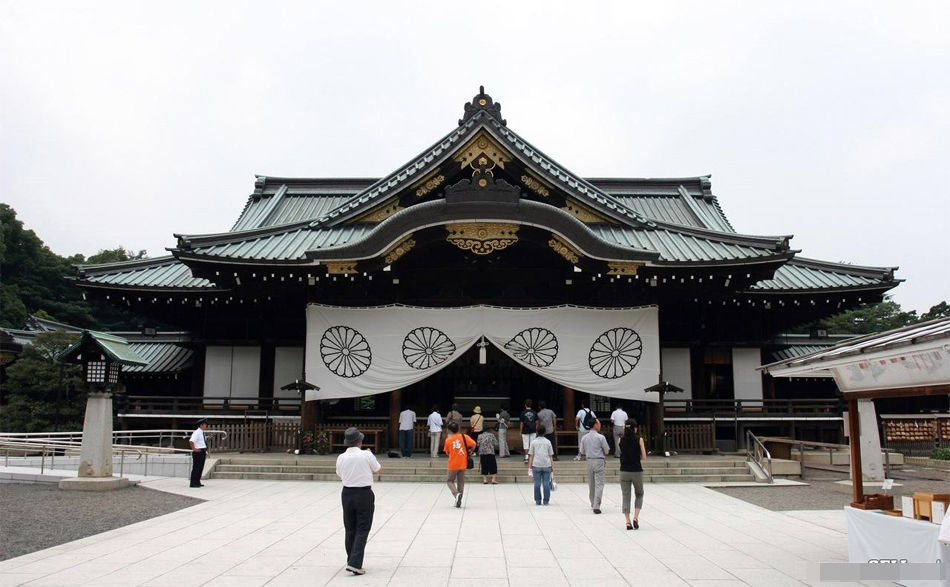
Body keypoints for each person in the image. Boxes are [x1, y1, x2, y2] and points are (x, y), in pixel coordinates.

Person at [335, 427, 382, 575]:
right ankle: (355, 563)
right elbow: (378, 469)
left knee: (350, 528)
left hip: (347, 493)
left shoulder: (341, 457)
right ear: (359, 442)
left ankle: (351, 559)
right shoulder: (366, 455)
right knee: (362, 528)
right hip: (364, 493)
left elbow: (340, 474)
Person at [618, 419, 647, 530]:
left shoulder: (620, 440)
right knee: (639, 494)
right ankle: (635, 517)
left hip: (624, 471)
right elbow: (644, 457)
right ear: (635, 428)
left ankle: (628, 522)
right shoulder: (639, 439)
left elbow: (621, 453)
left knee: (626, 496)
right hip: (636, 470)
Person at [580, 418, 610, 513]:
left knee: (591, 483)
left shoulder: (584, 437)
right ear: (595, 425)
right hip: (599, 460)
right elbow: (606, 451)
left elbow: (581, 451)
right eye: (598, 423)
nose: (599, 425)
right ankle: (596, 505)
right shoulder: (601, 437)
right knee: (599, 484)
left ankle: (593, 502)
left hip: (589, 460)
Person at [443, 420, 476, 507]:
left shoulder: (448, 440)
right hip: (463, 462)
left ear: (449, 430)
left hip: (453, 463)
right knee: (461, 482)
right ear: (458, 429)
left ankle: (456, 494)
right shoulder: (464, 437)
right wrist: (470, 451)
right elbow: (474, 444)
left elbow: (447, 452)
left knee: (450, 480)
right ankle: (459, 500)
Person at [527, 428, 555, 505]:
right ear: (545, 432)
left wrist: (529, 467)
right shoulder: (548, 442)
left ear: (536, 432)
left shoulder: (533, 442)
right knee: (546, 483)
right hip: (547, 465)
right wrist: (552, 466)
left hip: (536, 465)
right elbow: (550, 456)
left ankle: (538, 500)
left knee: (537, 483)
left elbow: (531, 456)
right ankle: (546, 500)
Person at [189, 418, 209, 487]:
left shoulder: (202, 433)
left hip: (202, 451)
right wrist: (194, 449)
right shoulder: (197, 432)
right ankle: (193, 483)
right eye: (205, 424)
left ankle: (197, 482)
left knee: (200, 467)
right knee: (196, 468)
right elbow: (191, 441)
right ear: (201, 425)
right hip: (198, 452)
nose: (206, 426)